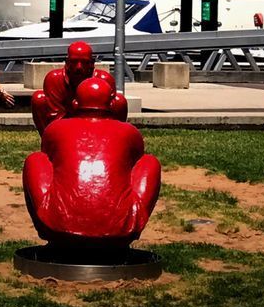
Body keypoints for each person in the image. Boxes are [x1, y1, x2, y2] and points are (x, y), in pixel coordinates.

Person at [23, 77, 161, 249]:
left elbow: (48, 161)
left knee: (35, 159)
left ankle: (45, 227)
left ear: (75, 103)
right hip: (120, 232)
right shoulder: (130, 132)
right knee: (149, 162)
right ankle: (130, 223)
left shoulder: (55, 129)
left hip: (58, 229)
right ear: (112, 104)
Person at [31, 40, 127, 133]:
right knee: (39, 98)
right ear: (67, 62)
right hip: (64, 127)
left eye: (84, 62)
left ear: (92, 63)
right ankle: (50, 144)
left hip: (98, 126)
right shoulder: (54, 79)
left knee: (119, 101)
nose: (79, 67)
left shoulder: (104, 80)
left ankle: (113, 141)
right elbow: (54, 117)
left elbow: (108, 115)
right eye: (74, 62)